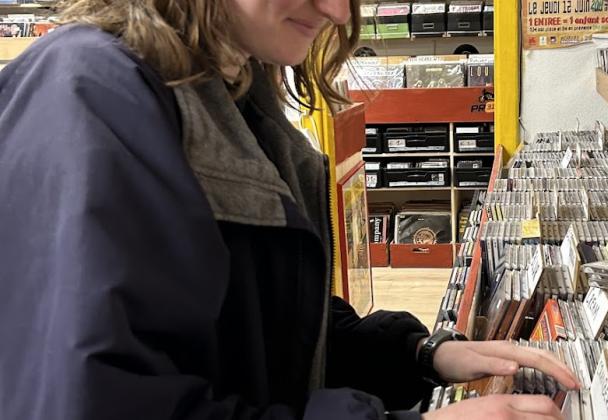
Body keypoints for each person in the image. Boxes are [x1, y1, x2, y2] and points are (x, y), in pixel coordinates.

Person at [0, 1, 578, 419]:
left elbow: (265, 323)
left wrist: (420, 354)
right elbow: (92, 396)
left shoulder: (238, 91)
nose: (338, 12)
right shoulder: (90, 91)